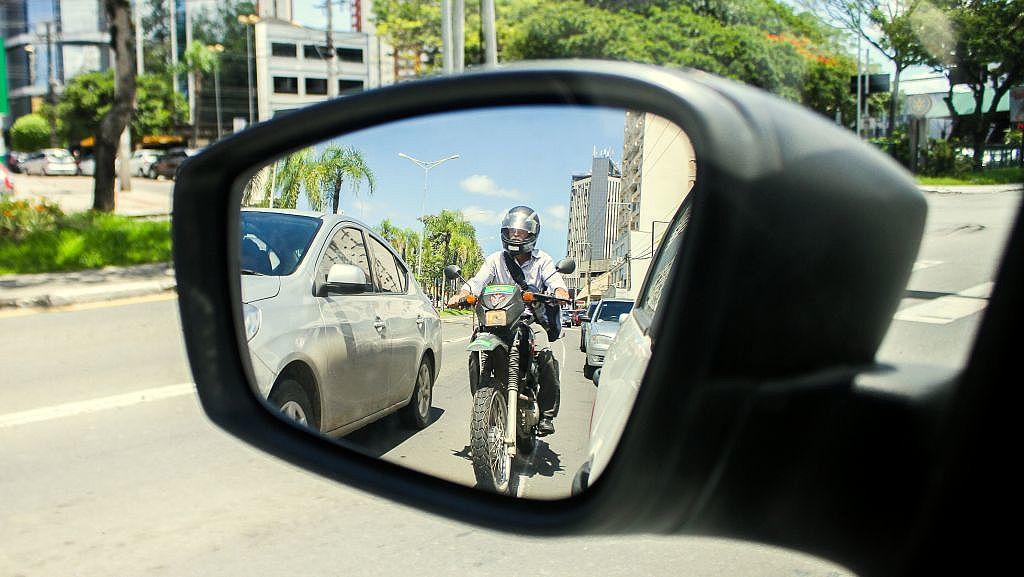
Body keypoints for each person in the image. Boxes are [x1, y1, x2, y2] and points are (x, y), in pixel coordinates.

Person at [447, 205, 570, 436]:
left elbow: (555, 281)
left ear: (532, 234)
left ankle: (547, 414)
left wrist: (560, 292)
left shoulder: (542, 260)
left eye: (521, 232)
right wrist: (463, 294)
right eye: (512, 231)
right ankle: (482, 399)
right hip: (498, 321)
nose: (515, 236)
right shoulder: (496, 260)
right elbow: (477, 281)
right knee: (475, 346)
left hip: (530, 322)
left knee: (547, 357)